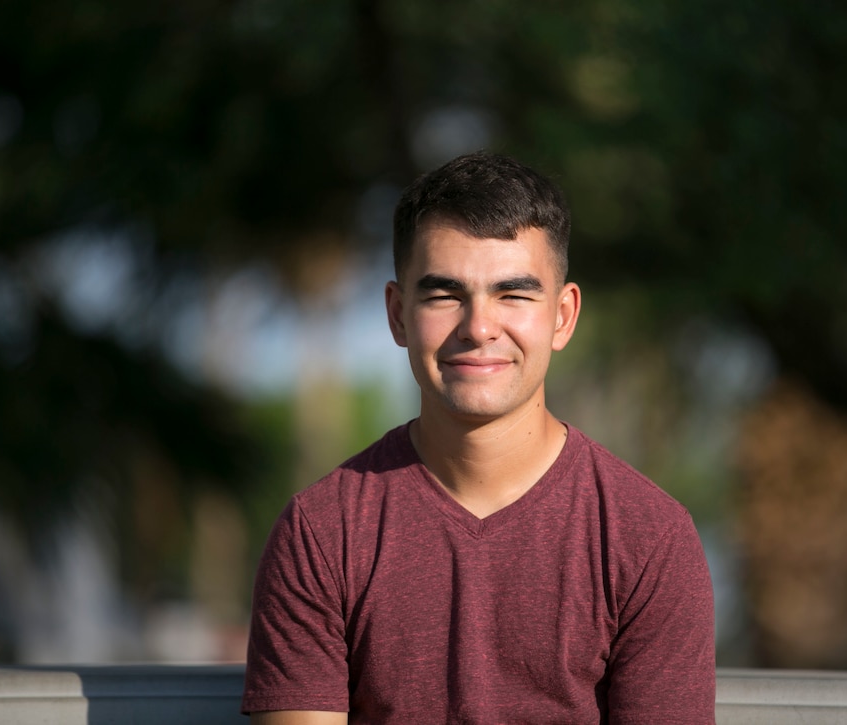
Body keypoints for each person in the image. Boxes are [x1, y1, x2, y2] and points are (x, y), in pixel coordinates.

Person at [242, 152, 716, 724]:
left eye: (513, 294)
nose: (479, 327)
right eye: (444, 295)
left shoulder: (648, 538)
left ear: (562, 316)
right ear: (397, 315)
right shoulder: (322, 533)